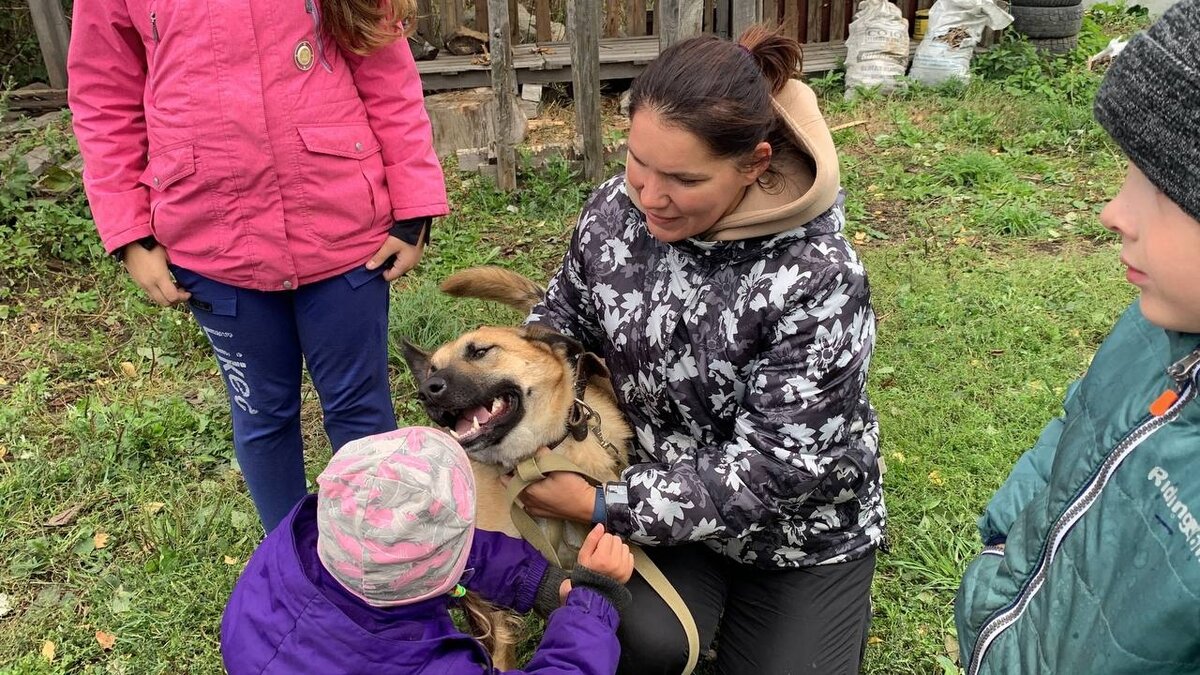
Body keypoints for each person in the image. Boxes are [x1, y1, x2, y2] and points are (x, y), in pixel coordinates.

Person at [512, 25, 886, 675]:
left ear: (755, 165)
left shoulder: (819, 274)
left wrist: (600, 507)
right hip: (664, 504)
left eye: (682, 179)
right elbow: (562, 319)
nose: (647, 196)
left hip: (799, 536)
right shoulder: (614, 210)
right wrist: (517, 397)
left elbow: (774, 472)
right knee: (638, 642)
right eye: (637, 162)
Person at [67, 0, 448, 531]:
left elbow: (386, 71)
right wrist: (130, 232)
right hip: (212, 239)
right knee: (263, 416)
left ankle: (378, 557)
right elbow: (104, 96)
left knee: (360, 408)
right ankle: (288, 564)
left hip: (343, 236)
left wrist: (413, 207)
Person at [954, 3, 1200, 673]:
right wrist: (1002, 550)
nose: (1113, 211)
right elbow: (1078, 424)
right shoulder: (1157, 327)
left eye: (1152, 183)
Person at [220, 426, 634, 674]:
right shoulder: (428, 665)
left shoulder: (295, 545)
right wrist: (593, 601)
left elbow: (432, 550)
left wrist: (538, 582)